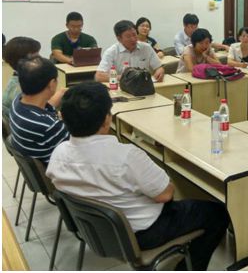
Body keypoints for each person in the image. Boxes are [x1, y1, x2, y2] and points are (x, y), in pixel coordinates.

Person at [46, 82, 229, 271]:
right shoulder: (126, 156)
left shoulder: (58, 154)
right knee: (218, 213)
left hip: (94, 230)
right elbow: (165, 194)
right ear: (107, 119)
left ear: (63, 118)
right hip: (142, 233)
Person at [9, 56, 69, 164]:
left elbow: (45, 108)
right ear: (52, 84)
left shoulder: (17, 102)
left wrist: (61, 93)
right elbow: (77, 149)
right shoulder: (49, 126)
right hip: (58, 170)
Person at [95, 20, 164, 82]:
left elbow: (159, 67)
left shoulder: (146, 48)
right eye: (128, 36)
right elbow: (99, 76)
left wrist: (160, 71)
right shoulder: (111, 52)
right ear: (119, 39)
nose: (133, 39)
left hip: (144, 87)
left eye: (134, 35)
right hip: (122, 88)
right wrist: (125, 78)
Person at [3, 37, 42, 120]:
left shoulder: (17, 79)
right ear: (22, 62)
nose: (41, 60)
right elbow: (35, 117)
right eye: (36, 57)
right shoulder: (23, 89)